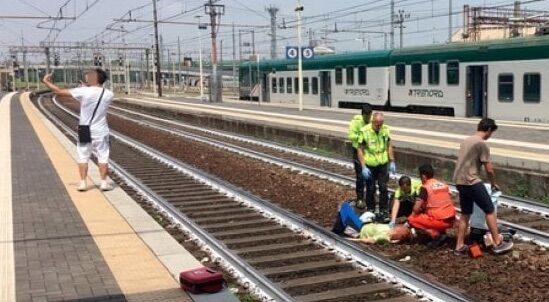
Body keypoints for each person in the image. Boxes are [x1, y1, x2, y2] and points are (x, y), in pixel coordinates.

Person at [42, 68, 114, 192]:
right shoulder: (108, 94)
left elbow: (59, 92)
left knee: (83, 156)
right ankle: (103, 183)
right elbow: (95, 95)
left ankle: (83, 183)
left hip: (84, 129)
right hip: (101, 130)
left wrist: (46, 82)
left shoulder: (83, 91)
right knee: (103, 156)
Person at [452, 118, 513, 255]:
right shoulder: (481, 144)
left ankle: (459, 246)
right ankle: (497, 242)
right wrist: (493, 184)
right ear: (489, 130)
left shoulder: (466, 140)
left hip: (459, 181)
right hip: (471, 181)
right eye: (492, 133)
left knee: (466, 213)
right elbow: (489, 169)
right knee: (489, 209)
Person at [357, 112, 396, 221]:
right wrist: (363, 166)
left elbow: (389, 146)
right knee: (371, 188)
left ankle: (384, 210)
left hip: (383, 164)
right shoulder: (365, 131)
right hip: (370, 165)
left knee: (383, 187)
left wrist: (392, 160)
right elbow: (360, 150)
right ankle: (371, 210)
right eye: (377, 124)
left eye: (381, 124)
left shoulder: (385, 130)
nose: (379, 126)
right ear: (373, 122)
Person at [407, 164, 456, 248]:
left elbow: (416, 209)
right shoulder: (442, 184)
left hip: (440, 221)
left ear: (423, 176)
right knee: (432, 213)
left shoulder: (425, 187)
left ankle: (436, 235)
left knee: (412, 219)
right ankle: (441, 232)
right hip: (451, 219)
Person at [332, 201, 411, 244]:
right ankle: (340, 227)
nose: (398, 227)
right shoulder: (390, 229)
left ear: (399, 233)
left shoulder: (385, 237)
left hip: (359, 228)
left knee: (344, 206)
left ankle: (337, 230)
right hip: (364, 224)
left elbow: (369, 240)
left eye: (400, 228)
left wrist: (346, 239)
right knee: (347, 206)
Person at [347, 104, 373, 209]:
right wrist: (362, 138)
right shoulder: (356, 122)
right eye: (366, 117)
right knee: (360, 177)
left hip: (369, 152)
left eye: (369, 116)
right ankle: (360, 198)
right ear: (362, 115)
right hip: (358, 151)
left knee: (370, 177)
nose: (368, 119)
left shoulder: (371, 122)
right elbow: (351, 136)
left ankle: (369, 198)